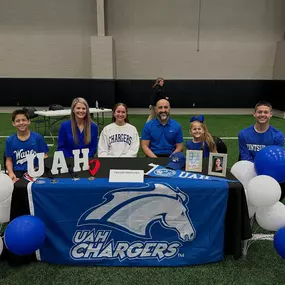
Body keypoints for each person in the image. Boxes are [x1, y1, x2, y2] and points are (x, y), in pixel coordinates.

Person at [5, 109, 49, 183]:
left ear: (29, 121)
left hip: (35, 171)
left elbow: (45, 156)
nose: (21, 123)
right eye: (18, 121)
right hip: (18, 172)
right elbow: (9, 160)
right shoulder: (10, 140)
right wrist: (11, 173)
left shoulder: (38, 138)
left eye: (24, 120)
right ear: (13, 123)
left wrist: (39, 168)